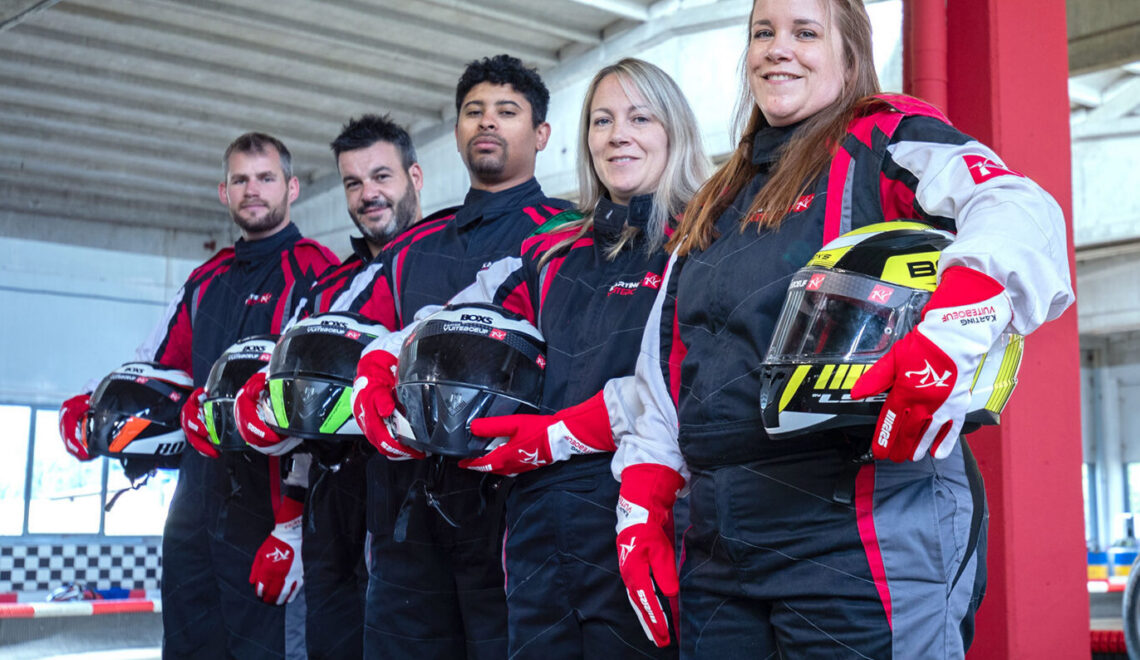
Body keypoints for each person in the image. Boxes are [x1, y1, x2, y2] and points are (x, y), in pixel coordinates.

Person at [607, 1, 1075, 658]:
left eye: (805, 32)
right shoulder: (718, 197)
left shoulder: (888, 138)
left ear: (850, 56)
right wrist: (646, 492)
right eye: (762, 34)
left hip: (860, 524)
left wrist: (956, 322)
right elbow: (664, 363)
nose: (778, 48)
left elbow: (1020, 211)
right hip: (716, 535)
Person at [363, 58, 707, 658]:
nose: (617, 134)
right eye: (602, 121)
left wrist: (559, 435)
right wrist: (380, 363)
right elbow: (456, 314)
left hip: (646, 518)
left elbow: (688, 384)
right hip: (534, 528)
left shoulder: (704, 240)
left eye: (639, 117)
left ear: (673, 129)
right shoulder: (551, 250)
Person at [59, 133, 339, 659]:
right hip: (194, 501)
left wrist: (293, 528)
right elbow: (153, 365)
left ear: (293, 187)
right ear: (223, 192)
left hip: (272, 506)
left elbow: (317, 407)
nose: (252, 191)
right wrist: (92, 404)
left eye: (265, 178)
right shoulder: (203, 280)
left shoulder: (318, 271)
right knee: (187, 646)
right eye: (240, 180)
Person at [346, 54, 571, 658]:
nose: (487, 123)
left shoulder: (568, 238)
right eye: (474, 112)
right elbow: (360, 343)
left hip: (513, 515)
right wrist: (366, 393)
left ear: (541, 134)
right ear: (457, 133)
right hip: (401, 512)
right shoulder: (408, 247)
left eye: (507, 111)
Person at [229, 113, 439, 659]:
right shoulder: (324, 289)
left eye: (381, 177)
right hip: (334, 505)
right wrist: (291, 525)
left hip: (427, 504)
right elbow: (294, 415)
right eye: (353, 183)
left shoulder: (446, 268)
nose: (369, 194)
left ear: (414, 178)